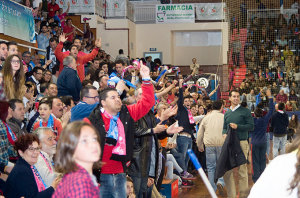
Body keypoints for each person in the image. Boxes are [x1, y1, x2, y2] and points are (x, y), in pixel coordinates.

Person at [85, 61, 155, 197]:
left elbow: (148, 103)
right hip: (99, 176)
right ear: (103, 103)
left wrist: (146, 78)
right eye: (113, 97)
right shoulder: (93, 119)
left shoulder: (126, 113)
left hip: (121, 172)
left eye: (118, 96)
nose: (118, 99)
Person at [53, 121, 101, 197]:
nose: (93, 144)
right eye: (84, 141)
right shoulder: (80, 183)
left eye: (94, 139)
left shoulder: (76, 176)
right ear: (70, 148)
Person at [222, 89, 254, 198]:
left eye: (237, 96)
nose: (236, 98)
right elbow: (224, 127)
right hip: (229, 145)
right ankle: (231, 195)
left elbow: (251, 126)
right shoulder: (227, 113)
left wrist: (238, 126)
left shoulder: (245, 111)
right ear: (230, 98)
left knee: (242, 171)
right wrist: (224, 134)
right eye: (234, 96)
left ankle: (244, 195)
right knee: (227, 172)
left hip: (241, 143)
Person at [196, 100, 225, 193]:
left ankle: (212, 188)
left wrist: (199, 145)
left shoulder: (206, 118)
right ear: (221, 107)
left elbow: (200, 133)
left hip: (209, 145)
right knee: (220, 165)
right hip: (221, 144)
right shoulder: (224, 117)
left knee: (211, 167)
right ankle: (220, 182)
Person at [251, 89, 274, 183]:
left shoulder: (252, 120)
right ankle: (262, 178)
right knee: (262, 159)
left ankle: (256, 179)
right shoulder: (265, 120)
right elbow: (272, 110)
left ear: (254, 114)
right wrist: (270, 98)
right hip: (263, 142)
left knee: (255, 161)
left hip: (255, 143)